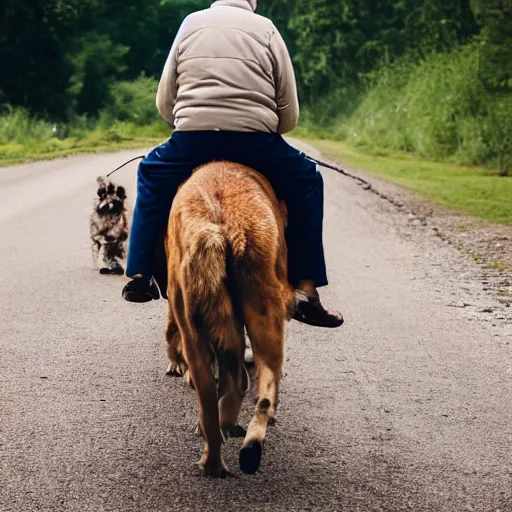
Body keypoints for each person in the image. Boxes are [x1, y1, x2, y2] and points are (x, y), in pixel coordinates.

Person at [122, 0, 343, 328]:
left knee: (150, 173)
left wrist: (186, 120)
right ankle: (305, 290)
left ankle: (141, 274)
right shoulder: (266, 29)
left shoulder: (190, 23)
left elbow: (164, 101)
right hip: (253, 140)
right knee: (308, 179)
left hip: (193, 137)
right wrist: (265, 125)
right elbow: (289, 113)